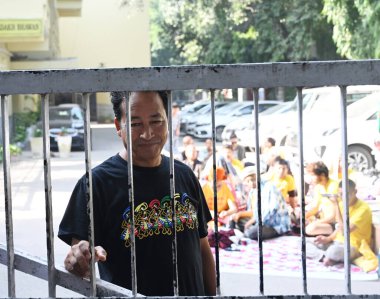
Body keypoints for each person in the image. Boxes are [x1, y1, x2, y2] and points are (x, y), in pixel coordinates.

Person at [58, 91, 216, 296]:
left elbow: (203, 249)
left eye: (156, 121)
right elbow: (79, 254)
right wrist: (79, 259)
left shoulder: (184, 175)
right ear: (118, 126)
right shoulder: (96, 184)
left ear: (168, 120)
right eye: (135, 124)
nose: (148, 133)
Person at [306, 179, 372, 267]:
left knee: (334, 250)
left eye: (347, 194)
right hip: (336, 242)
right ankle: (324, 257)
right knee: (302, 243)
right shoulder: (341, 204)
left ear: (355, 192)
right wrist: (328, 239)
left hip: (353, 247)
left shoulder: (363, 209)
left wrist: (336, 205)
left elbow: (345, 231)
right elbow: (338, 228)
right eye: (341, 194)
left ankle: (330, 257)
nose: (343, 197)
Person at [243, 174, 291, 240]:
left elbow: (271, 211)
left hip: (275, 225)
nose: (251, 183)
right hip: (261, 221)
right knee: (239, 222)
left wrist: (252, 221)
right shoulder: (252, 191)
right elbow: (253, 212)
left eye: (253, 180)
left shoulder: (269, 187)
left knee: (251, 233)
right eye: (248, 181)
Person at [305, 161, 339, 236]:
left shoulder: (334, 186)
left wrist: (316, 222)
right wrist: (305, 217)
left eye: (313, 175)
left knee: (310, 229)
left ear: (322, 175)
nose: (311, 178)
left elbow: (332, 216)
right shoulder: (318, 187)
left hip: (335, 223)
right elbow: (315, 208)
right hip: (324, 220)